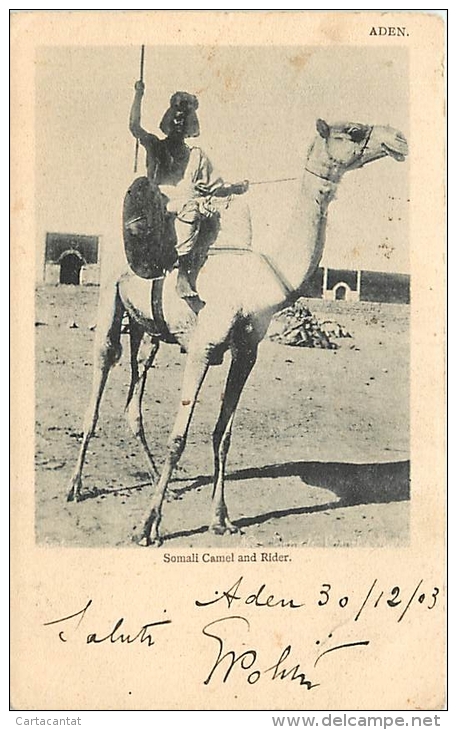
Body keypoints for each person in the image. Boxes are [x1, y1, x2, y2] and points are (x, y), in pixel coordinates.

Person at [129, 81, 249, 306]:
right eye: (175, 117)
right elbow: (134, 126)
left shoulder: (197, 155)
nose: (178, 122)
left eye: (183, 120)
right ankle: (183, 275)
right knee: (191, 207)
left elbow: (214, 186)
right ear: (167, 119)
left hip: (191, 203)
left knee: (216, 213)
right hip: (159, 203)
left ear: (189, 125)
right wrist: (138, 95)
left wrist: (234, 188)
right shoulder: (155, 145)